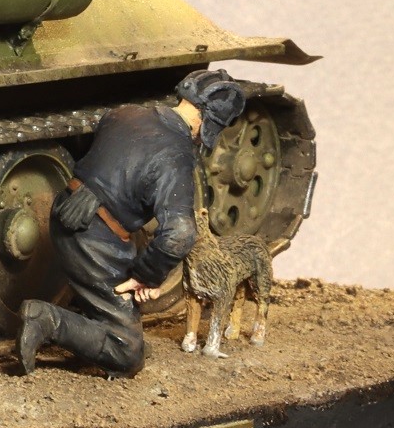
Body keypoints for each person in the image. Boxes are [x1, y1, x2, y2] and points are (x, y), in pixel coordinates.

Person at [17, 70, 250, 377]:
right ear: (205, 120)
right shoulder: (176, 155)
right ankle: (47, 319)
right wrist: (146, 276)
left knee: (127, 289)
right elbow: (179, 234)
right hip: (94, 237)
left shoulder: (126, 113)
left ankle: (111, 320)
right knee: (127, 354)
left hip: (68, 208)